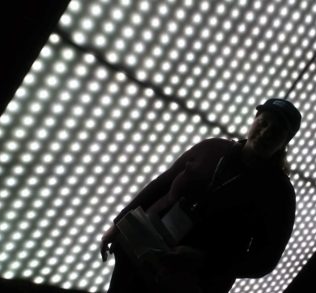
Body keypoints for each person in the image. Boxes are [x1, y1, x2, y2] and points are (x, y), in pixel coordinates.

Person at [100, 98, 302, 293]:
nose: (266, 132)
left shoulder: (279, 193)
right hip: (142, 249)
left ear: (285, 142)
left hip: (190, 281)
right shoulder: (212, 148)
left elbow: (265, 260)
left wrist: (205, 260)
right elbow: (161, 184)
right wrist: (119, 224)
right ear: (254, 119)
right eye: (263, 123)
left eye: (276, 131)